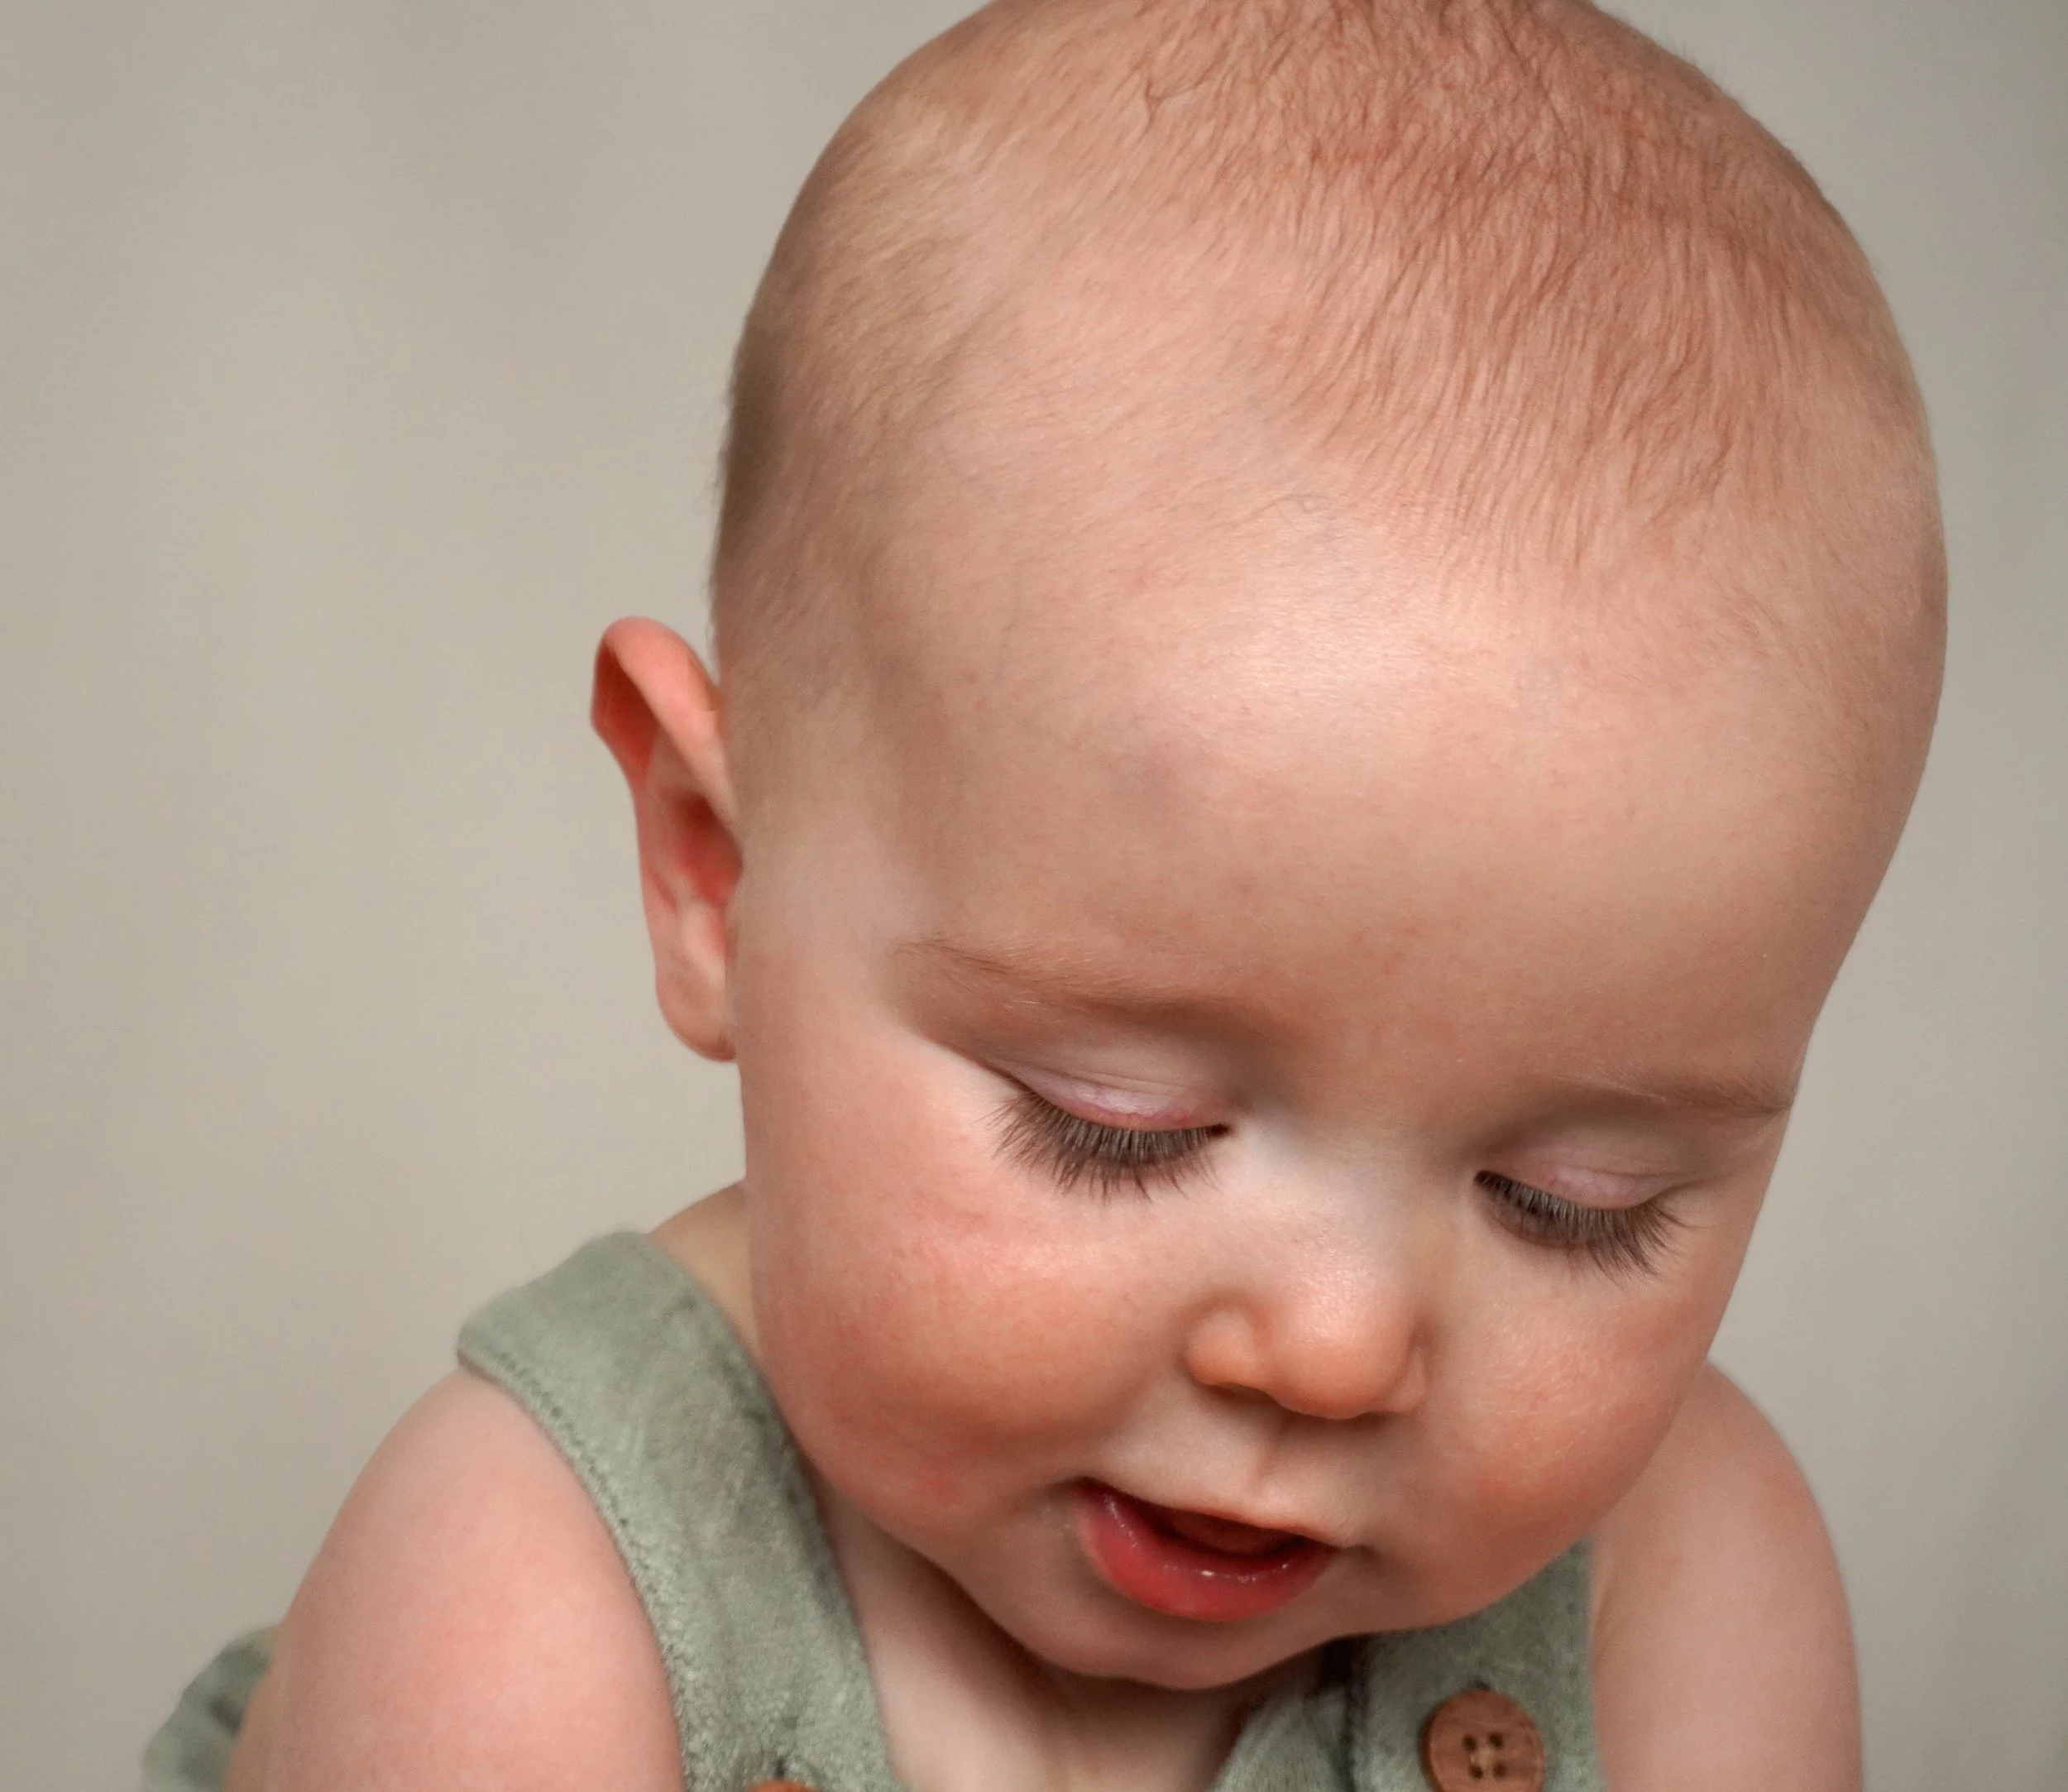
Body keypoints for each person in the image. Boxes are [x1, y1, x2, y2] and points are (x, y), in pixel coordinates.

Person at [146, 1, 1944, 1787]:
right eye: (1120, 1127)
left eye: (1570, 1204)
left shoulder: (1676, 1581)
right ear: (714, 869)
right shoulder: (528, 1608)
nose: (1332, 1350)